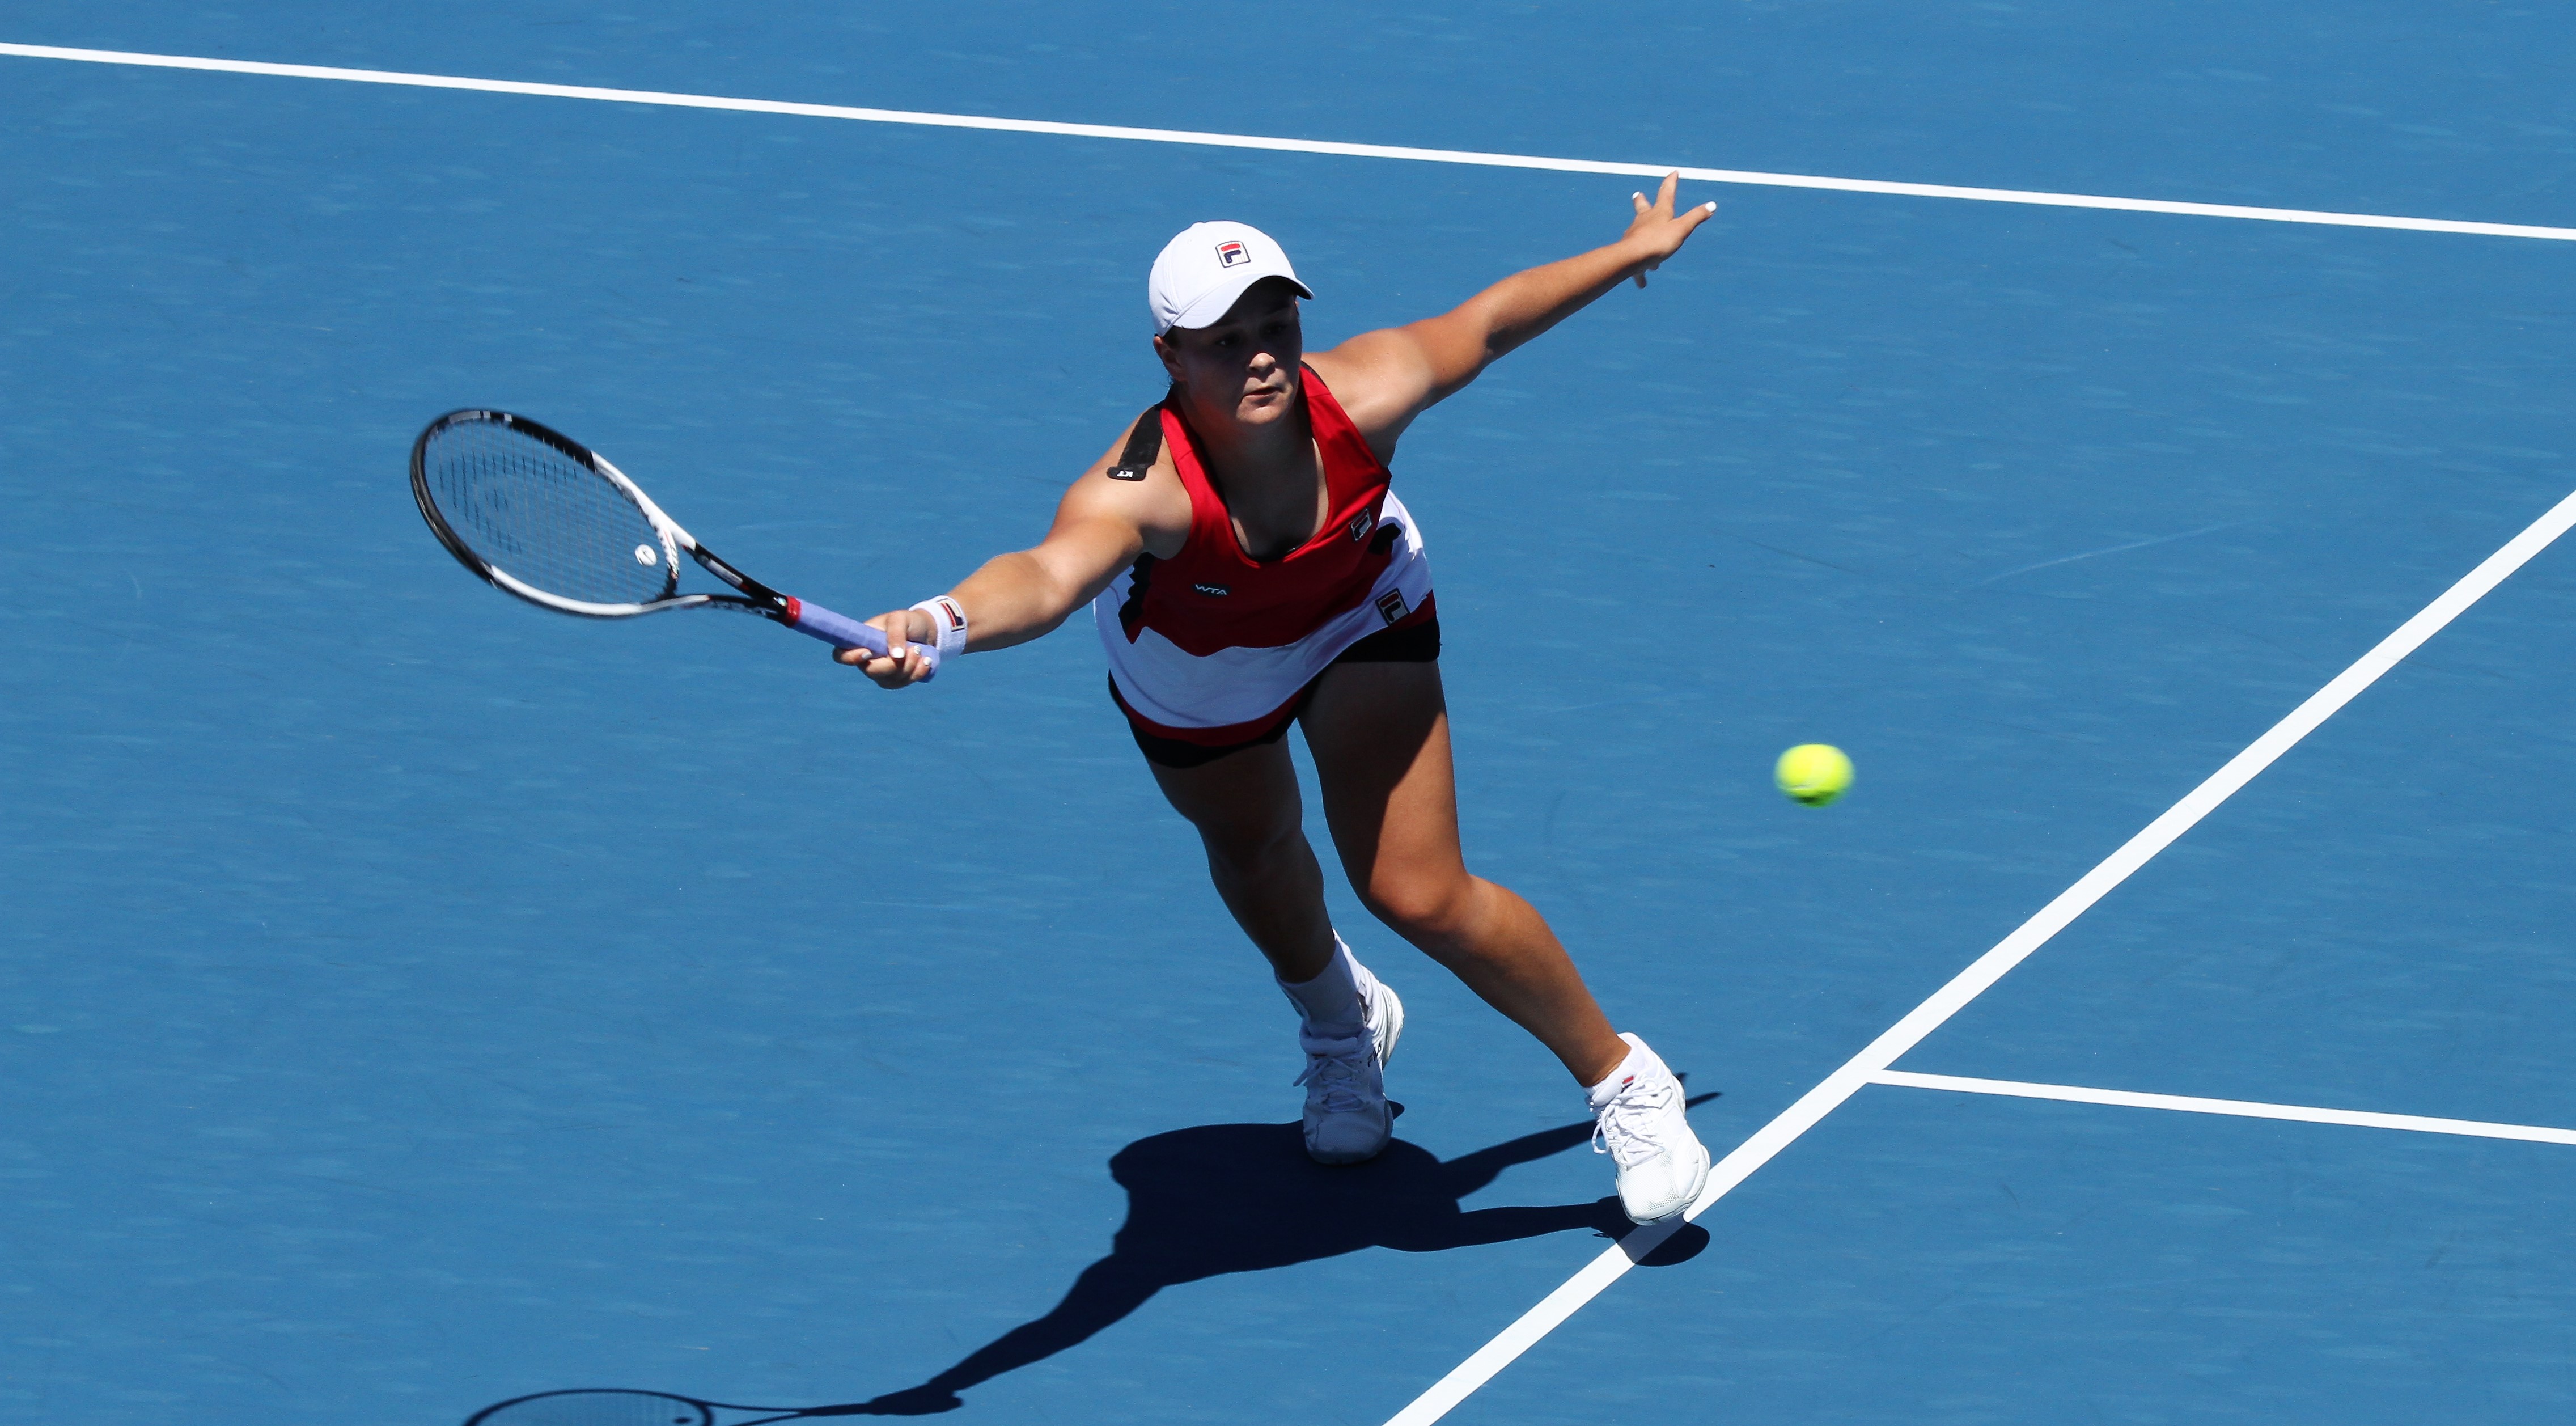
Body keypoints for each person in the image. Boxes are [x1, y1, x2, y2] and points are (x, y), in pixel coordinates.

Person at [840, 176, 1718, 1224]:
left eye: (1276, 321)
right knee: (1256, 856)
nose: (1260, 353)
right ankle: (1342, 1024)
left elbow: (1486, 324)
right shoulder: (1143, 489)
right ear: (1169, 357)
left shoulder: (1367, 391)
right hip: (1199, 669)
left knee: (1418, 892)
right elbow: (1046, 575)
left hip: (1358, 615)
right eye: (1222, 340)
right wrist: (941, 622)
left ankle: (1625, 1081)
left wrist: (1628, 256)